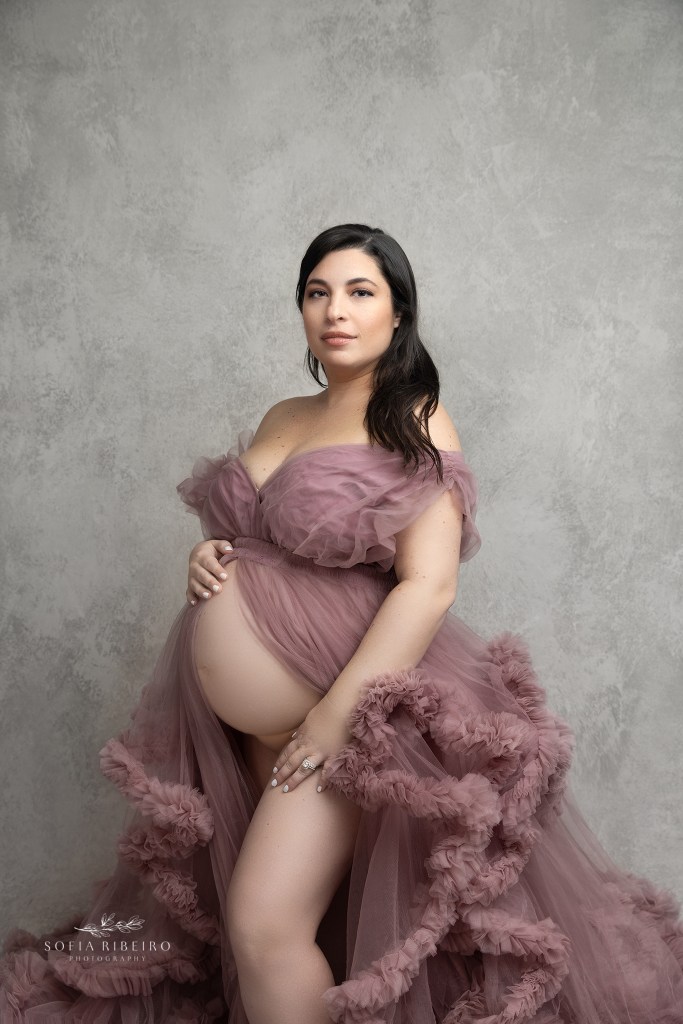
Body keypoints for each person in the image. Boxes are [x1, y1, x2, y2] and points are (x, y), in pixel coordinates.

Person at [1, 223, 682, 1024]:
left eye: (360, 292)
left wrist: (334, 720)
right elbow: (264, 539)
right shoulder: (284, 414)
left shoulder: (415, 415)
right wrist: (209, 557)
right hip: (245, 730)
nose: (336, 310)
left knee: (264, 923)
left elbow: (426, 587)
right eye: (318, 292)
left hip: (343, 712)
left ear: (399, 314)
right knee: (287, 924)